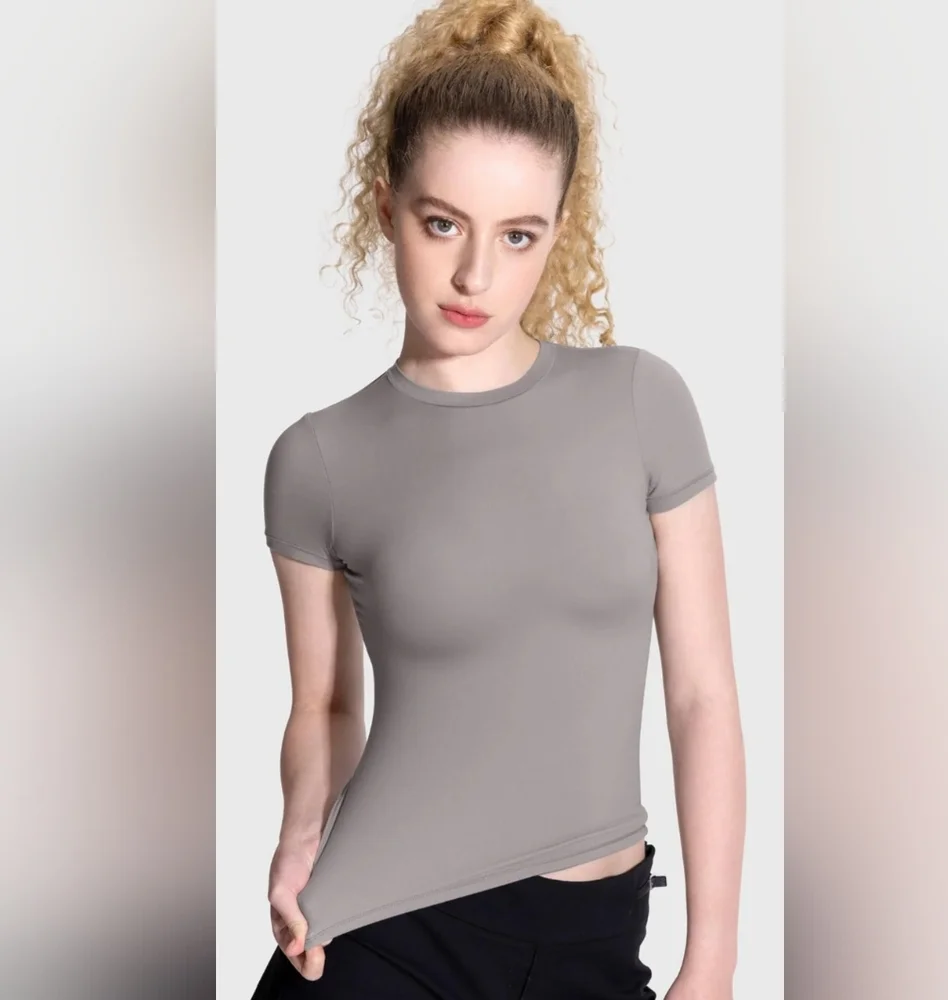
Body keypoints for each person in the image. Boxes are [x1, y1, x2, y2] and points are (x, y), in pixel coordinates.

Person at [251, 0, 745, 996]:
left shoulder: (642, 402)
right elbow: (327, 702)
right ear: (386, 207)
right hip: (386, 935)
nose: (475, 273)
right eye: (442, 224)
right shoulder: (318, 458)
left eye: (518, 235)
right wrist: (300, 836)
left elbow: (701, 697)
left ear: (558, 232)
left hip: (594, 940)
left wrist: (714, 958)